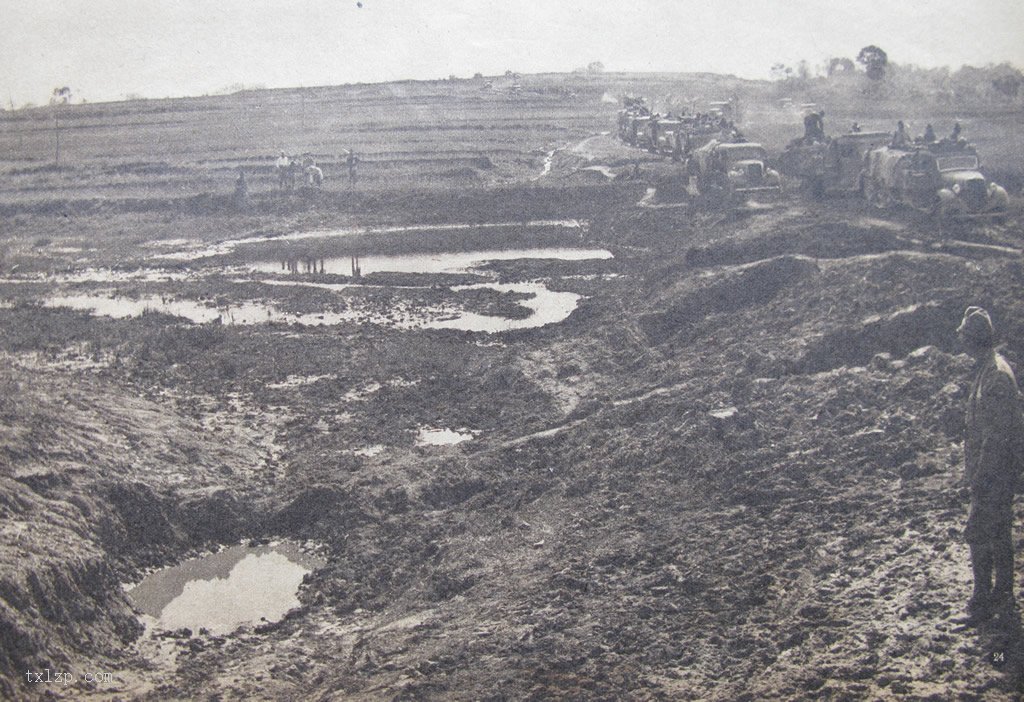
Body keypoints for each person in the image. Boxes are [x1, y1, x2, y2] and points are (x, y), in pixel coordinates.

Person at [957, 306, 1024, 624]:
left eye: (964, 336)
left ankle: (986, 603)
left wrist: (981, 476)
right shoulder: (987, 368)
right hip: (991, 470)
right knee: (995, 533)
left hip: (994, 472)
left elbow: (996, 437)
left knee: (982, 534)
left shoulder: (995, 375)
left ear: (974, 339)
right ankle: (1000, 599)